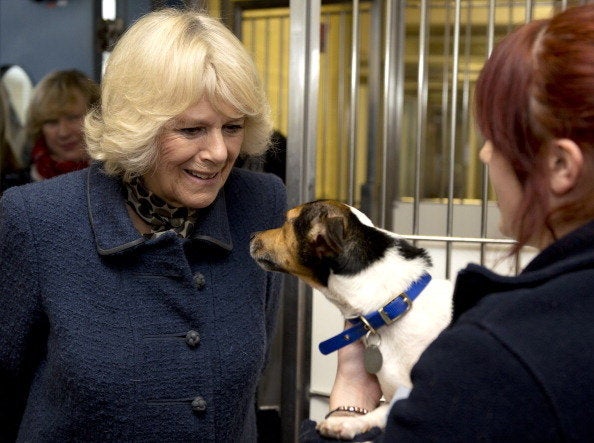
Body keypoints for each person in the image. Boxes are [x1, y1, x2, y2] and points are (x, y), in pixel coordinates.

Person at [302, 4, 594, 442]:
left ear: (559, 165)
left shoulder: (499, 354)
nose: (484, 156)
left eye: (495, 139)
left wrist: (347, 400)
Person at [0, 8, 286, 442]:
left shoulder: (260, 203)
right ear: (137, 125)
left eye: (232, 127)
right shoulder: (38, 219)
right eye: (191, 130)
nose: (218, 152)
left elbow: (251, 369)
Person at [1, 69, 99, 191]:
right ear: (39, 127)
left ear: (96, 117)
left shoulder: (117, 180)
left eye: (72, 118)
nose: (63, 132)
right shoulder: (13, 188)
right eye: (52, 122)